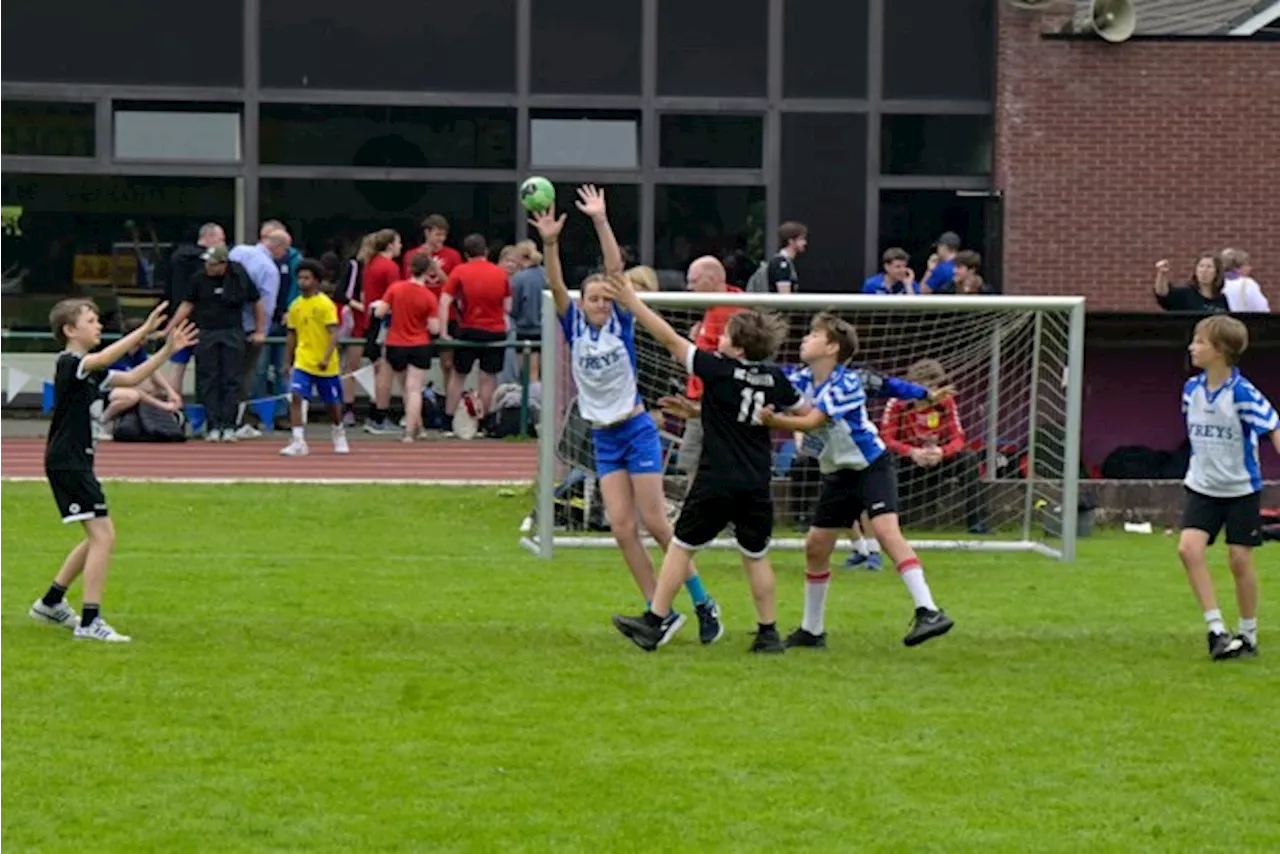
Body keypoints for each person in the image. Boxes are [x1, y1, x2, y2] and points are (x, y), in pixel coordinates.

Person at [530, 185, 724, 646]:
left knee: (657, 522)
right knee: (621, 528)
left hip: (635, 430)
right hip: (603, 436)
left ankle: (702, 602)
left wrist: (599, 219)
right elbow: (556, 284)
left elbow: (615, 270)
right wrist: (551, 241)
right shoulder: (573, 323)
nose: (598, 304)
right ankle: (659, 611)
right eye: (592, 298)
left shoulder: (620, 322)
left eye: (604, 298)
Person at [608, 276, 799, 653]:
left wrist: (633, 302)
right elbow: (805, 413)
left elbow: (668, 339)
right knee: (755, 555)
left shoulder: (716, 368)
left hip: (716, 479)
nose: (717, 340)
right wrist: (775, 421)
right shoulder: (776, 378)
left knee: (681, 546)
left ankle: (655, 620)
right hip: (756, 481)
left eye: (725, 335)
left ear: (739, 346)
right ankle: (768, 633)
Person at [757, 313, 954, 649]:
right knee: (816, 547)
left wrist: (774, 420)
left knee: (886, 533)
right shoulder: (800, 378)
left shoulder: (846, 383)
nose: (805, 339)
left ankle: (929, 610)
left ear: (832, 347)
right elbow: (765, 381)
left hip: (871, 467)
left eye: (813, 335)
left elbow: (813, 421)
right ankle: (812, 630)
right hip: (837, 474)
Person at [28, 299, 198, 643]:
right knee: (104, 536)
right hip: (68, 462)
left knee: (96, 536)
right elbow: (105, 358)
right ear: (69, 330)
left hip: (76, 461)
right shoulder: (71, 363)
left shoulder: (92, 370)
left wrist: (166, 350)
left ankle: (51, 602)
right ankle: (90, 622)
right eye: (91, 321)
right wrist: (143, 331)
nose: (98, 325)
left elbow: (134, 377)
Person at [1178, 315, 1279, 660]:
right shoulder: (1191, 390)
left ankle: (1248, 635)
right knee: (1189, 549)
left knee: (1239, 560)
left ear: (1220, 351)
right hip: (1202, 487)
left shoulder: (1242, 393)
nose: (1193, 346)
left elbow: (1273, 425)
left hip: (1240, 490)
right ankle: (1216, 631)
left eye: (1200, 341)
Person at [881, 358, 989, 534]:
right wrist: (911, 452)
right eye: (921, 386)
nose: (928, 391)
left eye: (932, 386)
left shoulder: (946, 402)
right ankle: (890, 522)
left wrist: (942, 452)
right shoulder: (896, 403)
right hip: (909, 460)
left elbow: (958, 438)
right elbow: (886, 438)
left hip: (937, 459)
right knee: (885, 460)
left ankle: (978, 523)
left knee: (968, 458)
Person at [172, 245, 264, 442]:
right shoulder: (199, 278)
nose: (209, 267)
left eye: (213, 264)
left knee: (231, 379)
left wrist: (260, 330)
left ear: (223, 264)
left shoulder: (238, 276)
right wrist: (171, 327)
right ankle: (213, 424)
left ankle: (229, 424)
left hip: (232, 331)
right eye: (207, 263)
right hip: (206, 332)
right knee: (208, 378)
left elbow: (256, 301)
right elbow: (187, 304)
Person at [280, 259, 350, 457]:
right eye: (300, 278)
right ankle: (298, 439)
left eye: (307, 278)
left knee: (332, 404)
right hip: (303, 360)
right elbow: (292, 334)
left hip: (325, 364)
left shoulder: (325, 305)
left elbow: (333, 333)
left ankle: (338, 431)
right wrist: (288, 361)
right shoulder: (295, 305)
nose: (303, 282)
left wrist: (327, 357)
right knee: (296, 396)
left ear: (316, 281)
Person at [439, 234, 510, 426]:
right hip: (495, 331)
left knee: (458, 375)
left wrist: (444, 331)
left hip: (468, 330)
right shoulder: (500, 272)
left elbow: (445, 301)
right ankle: (484, 420)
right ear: (485, 251)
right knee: (488, 377)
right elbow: (508, 306)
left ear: (465, 253)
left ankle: (449, 419)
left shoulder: (459, 271)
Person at [370, 253, 441, 443]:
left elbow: (379, 312)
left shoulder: (396, 288)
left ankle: (417, 428)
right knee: (414, 388)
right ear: (428, 271)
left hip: (395, 342)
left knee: (405, 388)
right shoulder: (429, 296)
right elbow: (435, 328)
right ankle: (411, 431)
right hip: (419, 344)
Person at [1153, 255, 1229, 313]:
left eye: (1209, 267)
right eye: (1201, 266)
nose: (1204, 270)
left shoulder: (1221, 298)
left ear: (1217, 272)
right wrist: (1162, 273)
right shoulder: (1185, 293)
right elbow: (1162, 293)